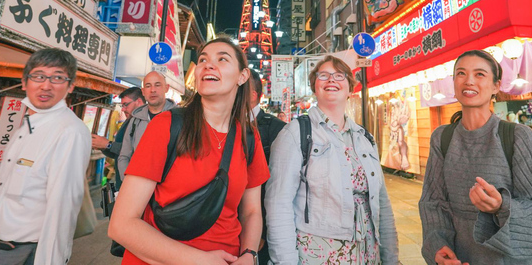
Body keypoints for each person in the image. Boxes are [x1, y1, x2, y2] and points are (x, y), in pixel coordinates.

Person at [109, 36, 269, 265]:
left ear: (242, 76)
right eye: (203, 60)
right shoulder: (167, 125)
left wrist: (249, 254)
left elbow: (251, 211)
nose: (208, 64)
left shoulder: (249, 137)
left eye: (222, 59)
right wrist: (200, 261)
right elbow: (121, 225)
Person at [419, 50, 532, 265]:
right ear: (454, 82)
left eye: (480, 74)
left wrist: (501, 206)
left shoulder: (517, 136)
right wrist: (438, 246)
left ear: (496, 86)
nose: (469, 81)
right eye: (461, 73)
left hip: (514, 258)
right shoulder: (442, 138)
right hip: (463, 256)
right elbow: (433, 203)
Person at [266, 55, 399, 264]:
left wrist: (391, 258)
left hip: (368, 254)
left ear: (349, 87)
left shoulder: (365, 138)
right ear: (314, 86)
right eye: (323, 76)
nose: (331, 80)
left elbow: (382, 202)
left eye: (339, 76)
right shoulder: (296, 133)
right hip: (318, 256)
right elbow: (278, 204)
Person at [0, 48, 92, 265]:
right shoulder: (27, 124)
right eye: (39, 76)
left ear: (70, 86)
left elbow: (63, 206)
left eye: (58, 78)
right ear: (24, 82)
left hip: (24, 254)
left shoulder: (69, 131)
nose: (46, 85)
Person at [248, 69, 285, 264]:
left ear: (253, 95)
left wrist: (263, 229)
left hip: (260, 222)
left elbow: (277, 186)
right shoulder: (224, 122)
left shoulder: (275, 128)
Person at [118, 71, 177, 176]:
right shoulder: (135, 120)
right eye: (148, 86)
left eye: (157, 85)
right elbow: (124, 156)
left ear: (166, 88)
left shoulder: (179, 118)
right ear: (143, 91)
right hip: (139, 186)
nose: (152, 90)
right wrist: (129, 182)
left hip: (169, 188)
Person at [92, 87, 146, 189]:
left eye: (126, 105)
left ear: (138, 102)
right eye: (122, 105)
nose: (123, 109)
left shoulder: (145, 122)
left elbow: (137, 152)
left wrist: (108, 144)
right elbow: (118, 153)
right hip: (122, 181)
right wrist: (103, 146)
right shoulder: (130, 120)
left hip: (134, 184)